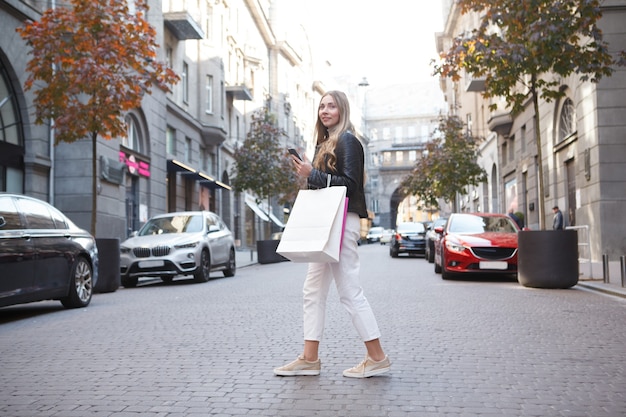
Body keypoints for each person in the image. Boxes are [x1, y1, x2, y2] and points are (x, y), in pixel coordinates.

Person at [274, 90, 390, 378]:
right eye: (321, 106)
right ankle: (309, 358)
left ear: (342, 110)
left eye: (331, 106)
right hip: (326, 224)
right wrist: (309, 174)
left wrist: (311, 173)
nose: (325, 111)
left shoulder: (348, 140)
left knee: (349, 290)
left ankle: (377, 356)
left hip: (341, 222)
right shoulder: (325, 143)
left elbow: (351, 185)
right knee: (312, 290)